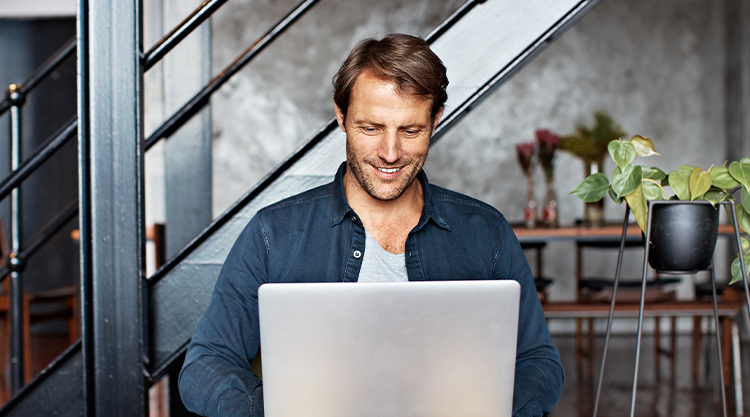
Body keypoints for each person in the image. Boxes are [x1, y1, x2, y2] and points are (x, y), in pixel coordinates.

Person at [179, 33, 564, 417]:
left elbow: (539, 363)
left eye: (410, 131)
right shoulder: (272, 234)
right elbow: (205, 365)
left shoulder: (486, 232)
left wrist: (487, 408)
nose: (390, 153)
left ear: (435, 120)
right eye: (371, 128)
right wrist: (280, 408)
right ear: (341, 116)